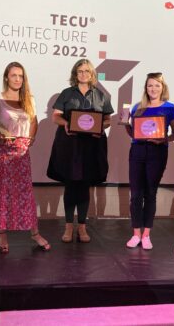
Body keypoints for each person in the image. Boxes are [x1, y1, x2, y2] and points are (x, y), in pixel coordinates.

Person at [0, 62, 50, 253]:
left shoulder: (29, 99)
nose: (18, 79)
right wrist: (1, 133)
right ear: (7, 77)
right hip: (2, 152)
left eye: (21, 76)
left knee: (25, 193)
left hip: (21, 152)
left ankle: (35, 233)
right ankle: (2, 234)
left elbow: (34, 122)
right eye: (14, 75)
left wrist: (30, 139)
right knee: (3, 192)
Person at [47, 59, 114, 243]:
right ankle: (69, 226)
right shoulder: (67, 93)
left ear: (92, 74)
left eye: (87, 71)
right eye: (80, 71)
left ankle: (82, 227)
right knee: (70, 185)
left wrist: (100, 127)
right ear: (75, 74)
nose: (84, 74)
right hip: (70, 145)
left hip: (92, 146)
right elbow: (55, 117)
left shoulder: (101, 95)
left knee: (85, 186)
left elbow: (108, 120)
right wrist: (66, 123)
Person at [123, 73, 174, 250]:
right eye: (150, 85)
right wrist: (125, 123)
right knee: (135, 194)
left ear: (163, 88)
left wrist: (163, 140)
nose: (153, 89)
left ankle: (146, 234)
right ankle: (136, 234)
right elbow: (133, 133)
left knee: (150, 193)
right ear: (145, 88)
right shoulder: (137, 107)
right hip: (137, 151)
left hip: (158, 152)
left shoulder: (170, 108)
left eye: (157, 85)